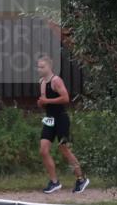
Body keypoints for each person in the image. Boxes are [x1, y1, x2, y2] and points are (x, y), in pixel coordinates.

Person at [35, 54, 89, 194]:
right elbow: (45, 102)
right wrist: (41, 103)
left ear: (49, 67)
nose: (39, 69)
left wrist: (47, 101)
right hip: (49, 119)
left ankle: (81, 179)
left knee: (63, 149)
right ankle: (54, 182)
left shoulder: (56, 81)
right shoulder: (42, 82)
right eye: (38, 67)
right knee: (43, 150)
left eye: (42, 67)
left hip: (61, 118)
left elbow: (65, 98)